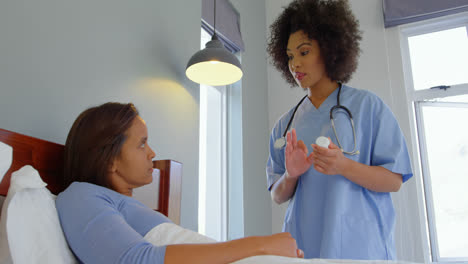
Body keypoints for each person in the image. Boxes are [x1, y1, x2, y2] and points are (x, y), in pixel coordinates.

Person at [56, 102, 304, 264]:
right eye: (142, 143)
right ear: (109, 158)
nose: (152, 152)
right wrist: (261, 246)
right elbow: (135, 261)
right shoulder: (80, 195)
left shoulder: (121, 206)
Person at [266, 0, 413, 260]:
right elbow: (277, 195)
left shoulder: (368, 107)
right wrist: (291, 174)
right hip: (303, 247)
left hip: (361, 246)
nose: (294, 65)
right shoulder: (285, 125)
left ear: (329, 48)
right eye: (289, 56)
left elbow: (393, 181)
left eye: (304, 52)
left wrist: (343, 165)